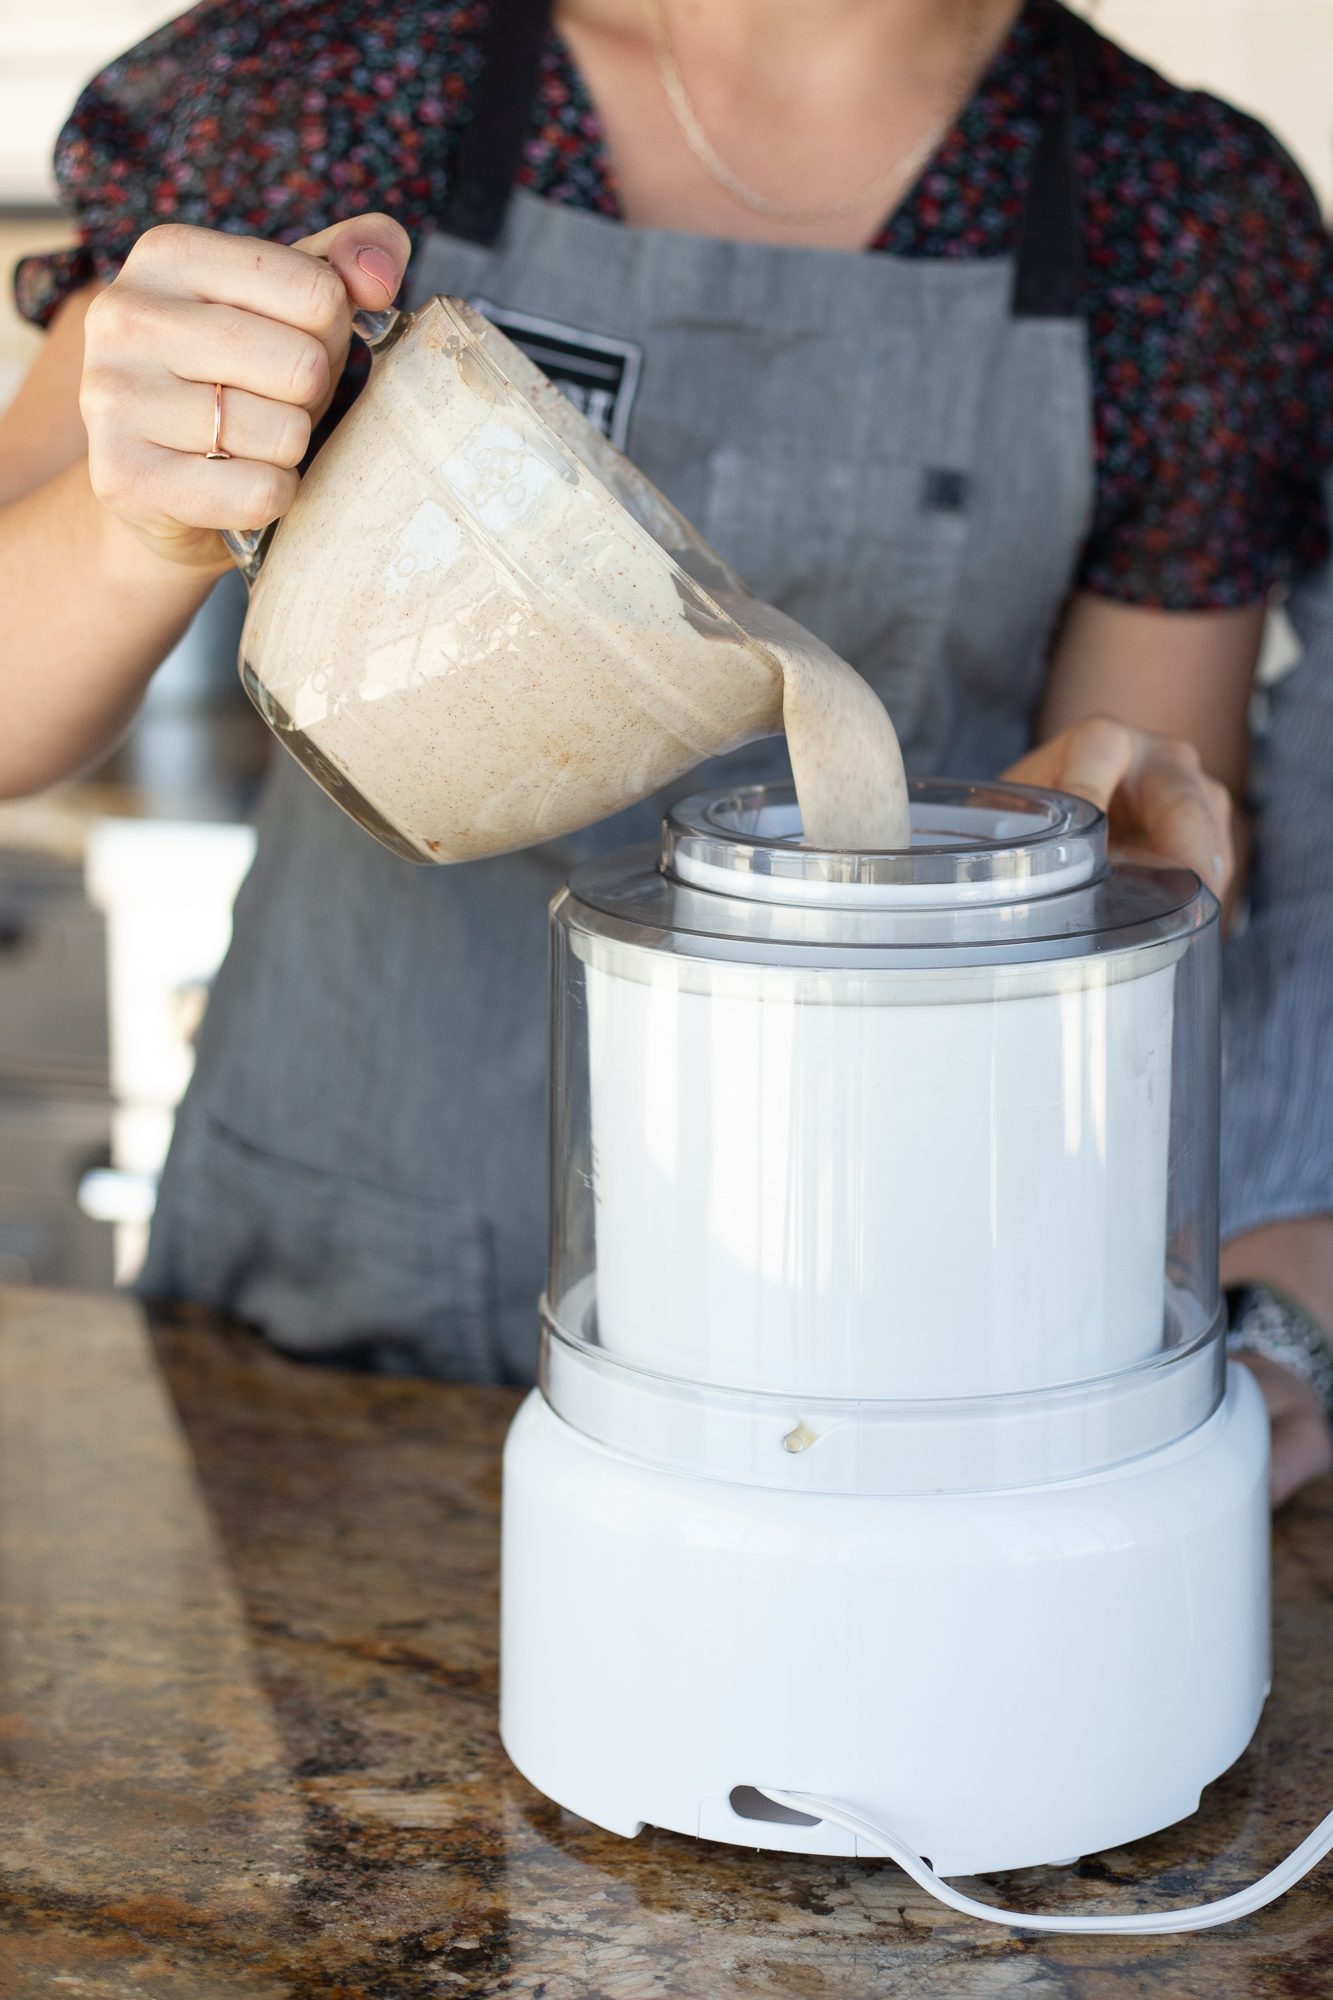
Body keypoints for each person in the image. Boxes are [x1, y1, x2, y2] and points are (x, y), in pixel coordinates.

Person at [1, 0, 1331, 1495]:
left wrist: (1028, 863)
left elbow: (1131, 851)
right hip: (325, 1292)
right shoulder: (341, 81)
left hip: (835, 1349)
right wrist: (139, 527)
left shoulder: (1175, 212)